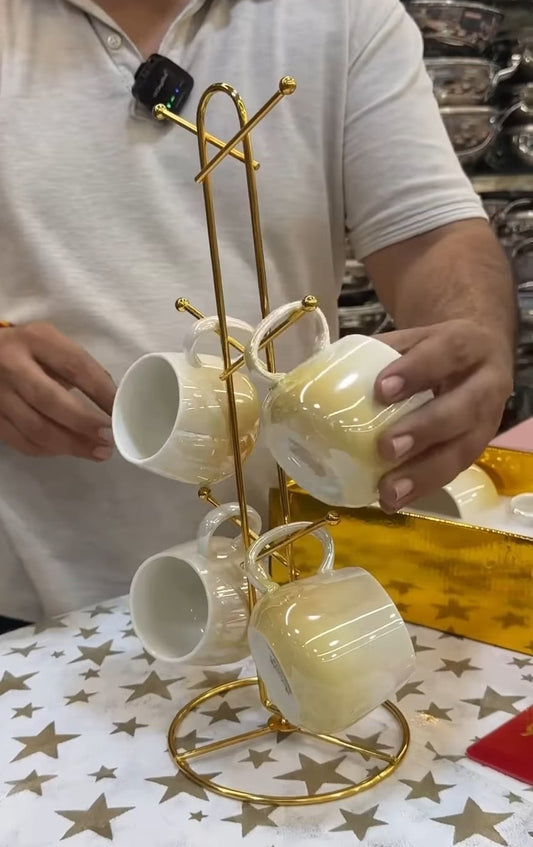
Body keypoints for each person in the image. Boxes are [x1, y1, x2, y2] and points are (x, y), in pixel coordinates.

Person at [0, 0, 515, 629]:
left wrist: (471, 341)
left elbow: (429, 234)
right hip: (26, 591)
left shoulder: (344, 16)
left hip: (293, 569)